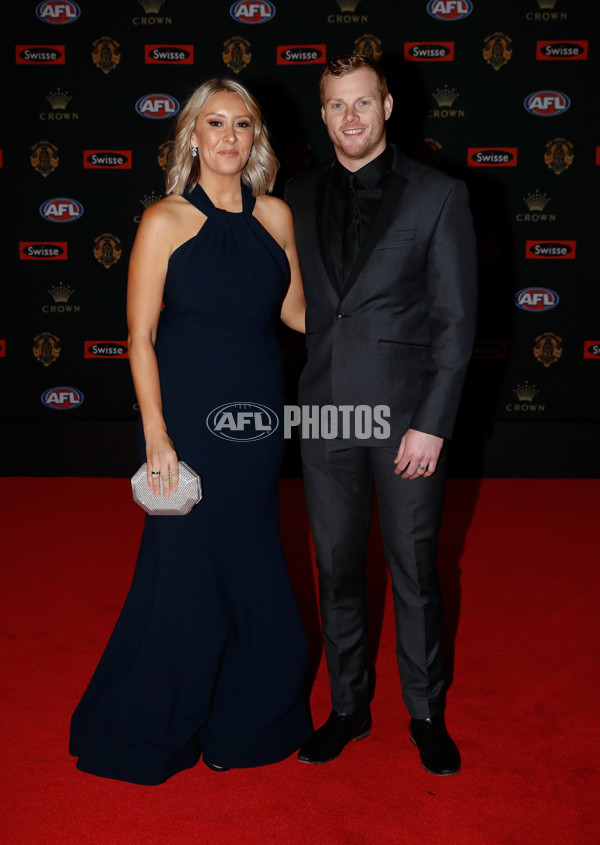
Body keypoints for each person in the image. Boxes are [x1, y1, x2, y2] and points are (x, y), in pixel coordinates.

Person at [69, 78, 311, 784]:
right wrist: (157, 433)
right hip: (188, 427)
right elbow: (139, 337)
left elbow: (299, 314)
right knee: (183, 573)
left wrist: (383, 317)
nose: (229, 137)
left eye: (242, 124)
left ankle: (248, 718)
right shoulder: (164, 220)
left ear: (255, 138)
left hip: (258, 423)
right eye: (215, 124)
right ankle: (156, 718)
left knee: (252, 561)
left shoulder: (277, 217)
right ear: (193, 138)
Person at [285, 54, 477, 775]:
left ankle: (425, 711)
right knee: (334, 566)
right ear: (324, 111)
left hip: (405, 423)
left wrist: (432, 422)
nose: (351, 118)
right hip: (328, 416)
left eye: (363, 103)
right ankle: (347, 706)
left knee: (414, 571)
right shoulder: (295, 196)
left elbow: (457, 323)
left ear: (389, 106)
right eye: (337, 106)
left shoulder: (437, 196)